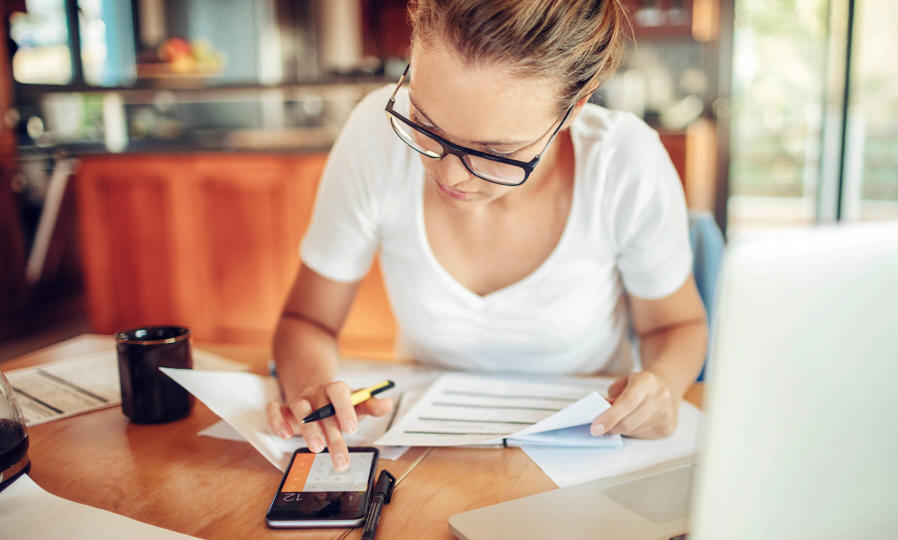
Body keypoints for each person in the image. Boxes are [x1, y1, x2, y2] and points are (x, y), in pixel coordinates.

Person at [266, 0, 708, 471]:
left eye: (497, 151)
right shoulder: (375, 134)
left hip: (587, 452)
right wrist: (313, 389)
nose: (451, 175)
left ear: (575, 108)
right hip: (424, 457)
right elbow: (306, 321)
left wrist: (661, 383)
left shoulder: (623, 162)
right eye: (425, 123)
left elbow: (676, 326)